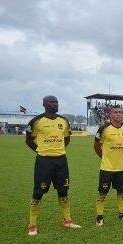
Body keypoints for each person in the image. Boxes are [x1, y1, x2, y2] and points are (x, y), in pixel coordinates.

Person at [25, 95, 81, 236]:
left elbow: (67, 139)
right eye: (52, 102)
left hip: (61, 160)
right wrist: (41, 151)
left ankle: (67, 220)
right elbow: (29, 140)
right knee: (38, 192)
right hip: (44, 161)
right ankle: (32, 225)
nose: (55, 104)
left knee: (63, 191)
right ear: (44, 104)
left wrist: (58, 150)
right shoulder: (36, 121)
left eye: (56, 102)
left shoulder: (63, 121)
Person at [93, 105, 123, 226]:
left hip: (122, 168)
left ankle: (122, 214)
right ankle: (99, 217)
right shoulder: (103, 129)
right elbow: (96, 146)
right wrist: (104, 157)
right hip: (107, 168)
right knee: (102, 192)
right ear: (111, 115)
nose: (118, 114)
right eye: (115, 112)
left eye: (120, 112)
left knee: (121, 192)